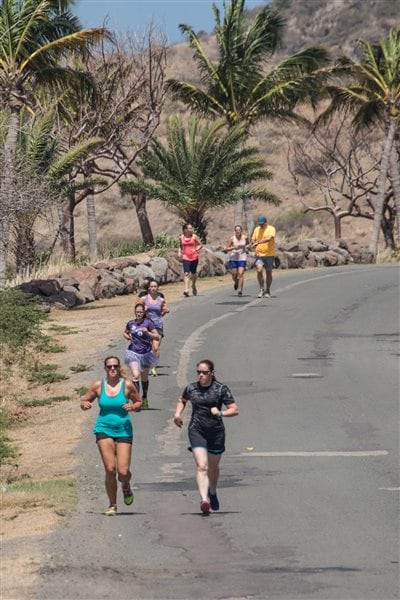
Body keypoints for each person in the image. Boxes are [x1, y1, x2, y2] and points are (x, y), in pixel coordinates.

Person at [174, 359, 239, 515]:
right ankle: (204, 500)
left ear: (211, 373)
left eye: (204, 372)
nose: (201, 375)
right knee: (202, 466)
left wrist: (221, 412)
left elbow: (234, 409)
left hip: (216, 431)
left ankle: (213, 491)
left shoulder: (220, 389)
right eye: (198, 372)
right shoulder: (191, 388)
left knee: (213, 467)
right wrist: (177, 414)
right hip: (197, 429)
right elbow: (182, 400)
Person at [80, 356, 142, 516]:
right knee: (110, 469)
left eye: (115, 366)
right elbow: (85, 400)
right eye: (109, 367)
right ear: (105, 369)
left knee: (123, 471)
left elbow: (138, 402)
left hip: (123, 429)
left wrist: (132, 406)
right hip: (103, 429)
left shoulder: (127, 385)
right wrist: (85, 404)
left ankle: (126, 484)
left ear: (119, 367)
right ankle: (112, 504)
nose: (112, 369)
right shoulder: (98, 386)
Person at [123, 303, 159, 409]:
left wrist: (147, 333)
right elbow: (125, 332)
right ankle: (136, 400)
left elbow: (156, 336)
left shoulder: (148, 323)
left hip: (146, 354)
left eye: (141, 312)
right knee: (135, 375)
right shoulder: (131, 323)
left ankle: (144, 398)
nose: (139, 314)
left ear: (144, 313)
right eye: (137, 312)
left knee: (144, 378)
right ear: (135, 312)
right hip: (133, 353)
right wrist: (128, 337)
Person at [143, 280, 169, 376]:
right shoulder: (144, 299)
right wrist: (144, 311)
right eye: (152, 286)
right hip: (147, 325)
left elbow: (164, 310)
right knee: (147, 347)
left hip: (158, 325)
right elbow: (137, 311)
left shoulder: (161, 300)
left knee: (156, 347)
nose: (153, 288)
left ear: (158, 288)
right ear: (149, 288)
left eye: (155, 286)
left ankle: (153, 367)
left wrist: (166, 311)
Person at [249, 215, 276, 298]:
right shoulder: (257, 229)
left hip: (269, 254)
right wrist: (253, 243)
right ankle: (261, 289)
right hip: (259, 254)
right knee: (259, 270)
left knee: (268, 272)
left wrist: (258, 242)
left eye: (262, 224)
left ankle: (268, 290)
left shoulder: (271, 229)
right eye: (260, 224)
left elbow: (269, 238)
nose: (261, 225)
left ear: (266, 223)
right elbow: (253, 239)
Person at [178, 223, 202, 297]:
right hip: (186, 257)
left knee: (193, 273)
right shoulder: (181, 237)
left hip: (194, 257)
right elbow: (181, 246)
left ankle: (193, 285)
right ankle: (186, 289)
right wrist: (179, 252)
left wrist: (195, 249)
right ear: (185, 230)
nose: (191, 230)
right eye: (189, 228)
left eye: (191, 228)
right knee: (186, 273)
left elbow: (200, 245)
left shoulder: (194, 237)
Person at [225, 225, 249, 296]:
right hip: (234, 258)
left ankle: (240, 290)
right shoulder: (232, 238)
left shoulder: (245, 237)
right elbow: (226, 249)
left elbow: (248, 245)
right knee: (234, 274)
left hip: (242, 257)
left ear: (241, 231)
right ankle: (236, 282)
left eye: (239, 230)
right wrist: (233, 247)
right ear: (235, 231)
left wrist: (247, 247)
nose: (238, 231)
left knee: (241, 274)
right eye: (236, 230)